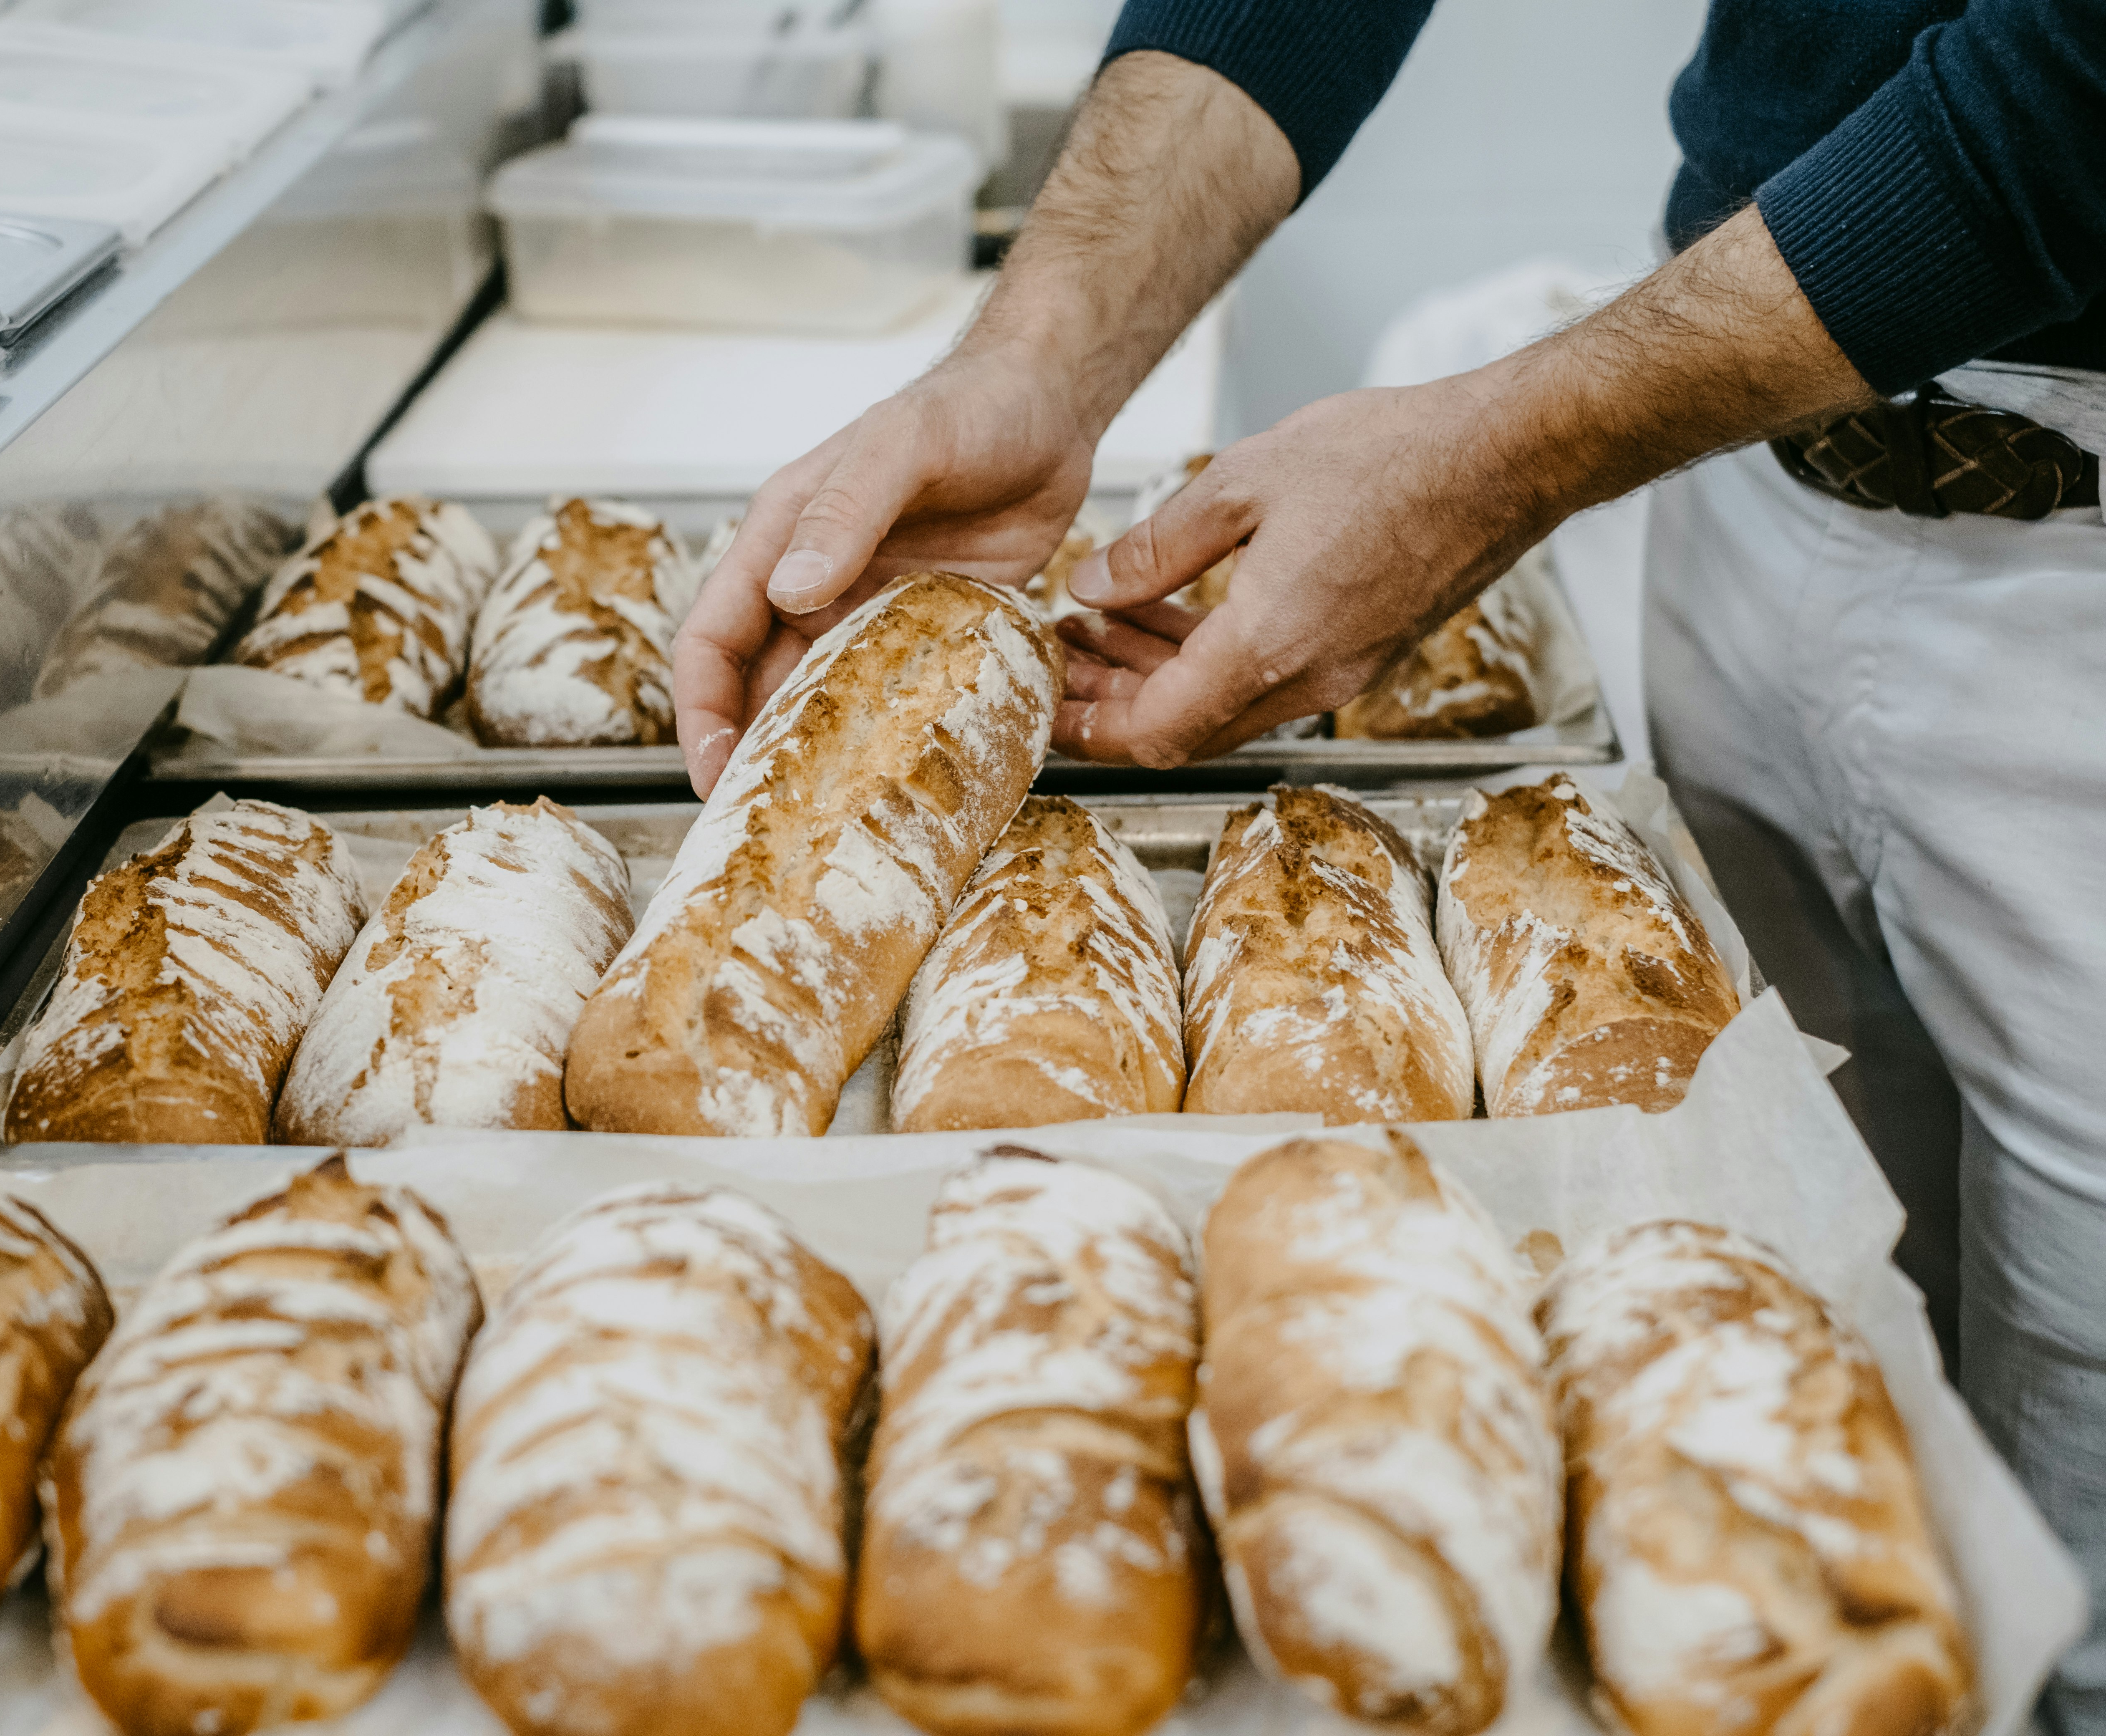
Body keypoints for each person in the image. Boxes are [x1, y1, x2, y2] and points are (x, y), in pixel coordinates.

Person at [675, 0, 2106, 1722]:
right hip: (1751, 480)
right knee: (1747, 1319)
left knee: (2073, 1517)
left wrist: (1508, 450)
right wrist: (1038, 354)